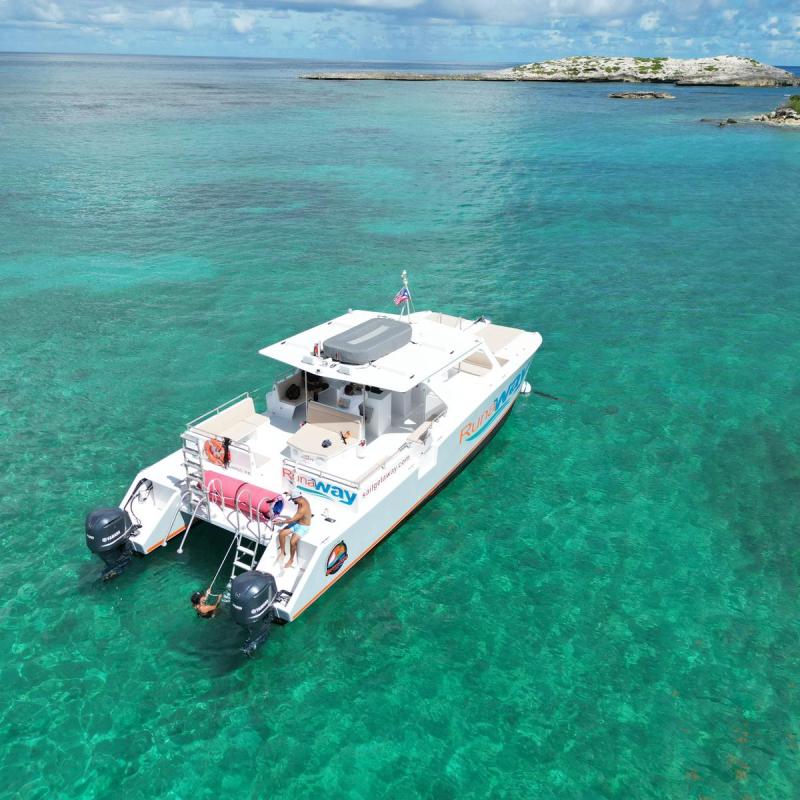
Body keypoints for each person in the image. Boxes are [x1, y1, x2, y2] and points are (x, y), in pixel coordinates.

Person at [277, 492, 311, 568]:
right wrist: (290, 494)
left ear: (297, 499)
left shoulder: (303, 508)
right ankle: (282, 552)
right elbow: (296, 494)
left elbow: (292, 520)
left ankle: (291, 560)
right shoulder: (301, 498)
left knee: (292, 542)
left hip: (303, 526)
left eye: (293, 500)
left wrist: (281, 521)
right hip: (297, 523)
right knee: (281, 534)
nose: (292, 501)